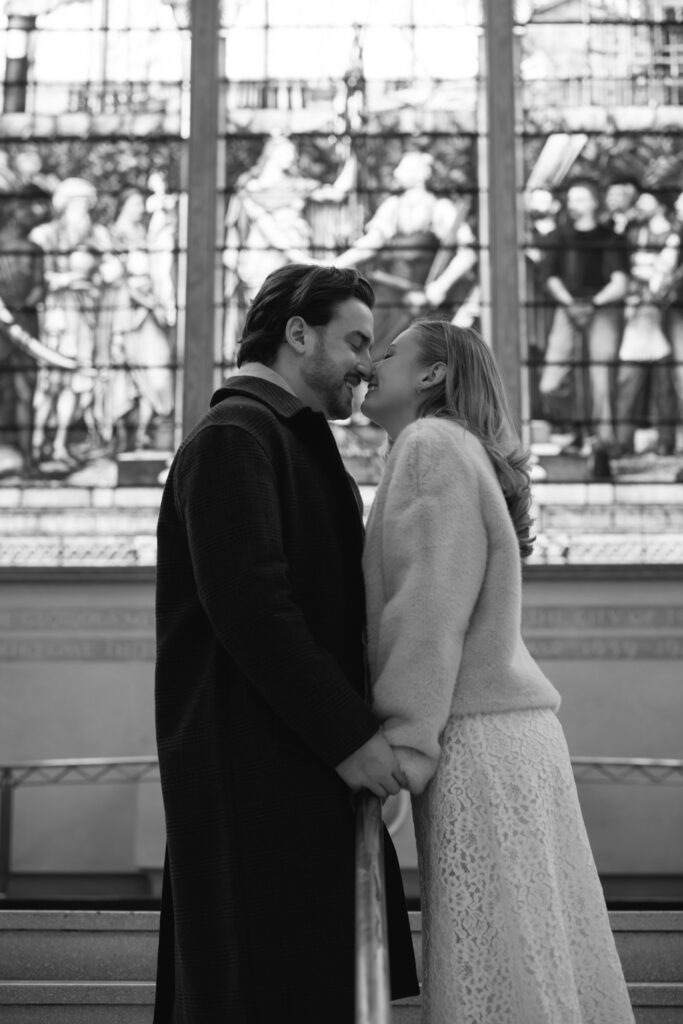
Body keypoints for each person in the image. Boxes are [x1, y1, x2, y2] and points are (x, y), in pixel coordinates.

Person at [153, 264, 418, 1023]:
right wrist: (350, 740)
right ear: (298, 334)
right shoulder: (236, 436)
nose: (369, 363)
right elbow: (254, 611)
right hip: (255, 779)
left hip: (292, 771)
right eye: (357, 340)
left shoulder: (286, 437)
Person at [361, 319, 635, 1024]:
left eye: (385, 352)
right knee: (530, 964)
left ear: (431, 375)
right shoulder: (452, 448)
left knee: (502, 971)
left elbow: (427, 606)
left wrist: (407, 741)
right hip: (508, 738)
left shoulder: (427, 445)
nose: (368, 363)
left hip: (475, 742)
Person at [539, 178, 629, 454]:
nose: (572, 204)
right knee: (551, 381)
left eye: (579, 199)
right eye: (570, 199)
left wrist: (592, 303)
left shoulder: (610, 237)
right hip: (567, 308)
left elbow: (620, 283)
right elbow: (549, 276)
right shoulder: (558, 236)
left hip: (603, 310)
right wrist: (570, 303)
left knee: (601, 376)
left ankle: (603, 443)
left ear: (593, 202)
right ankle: (572, 429)